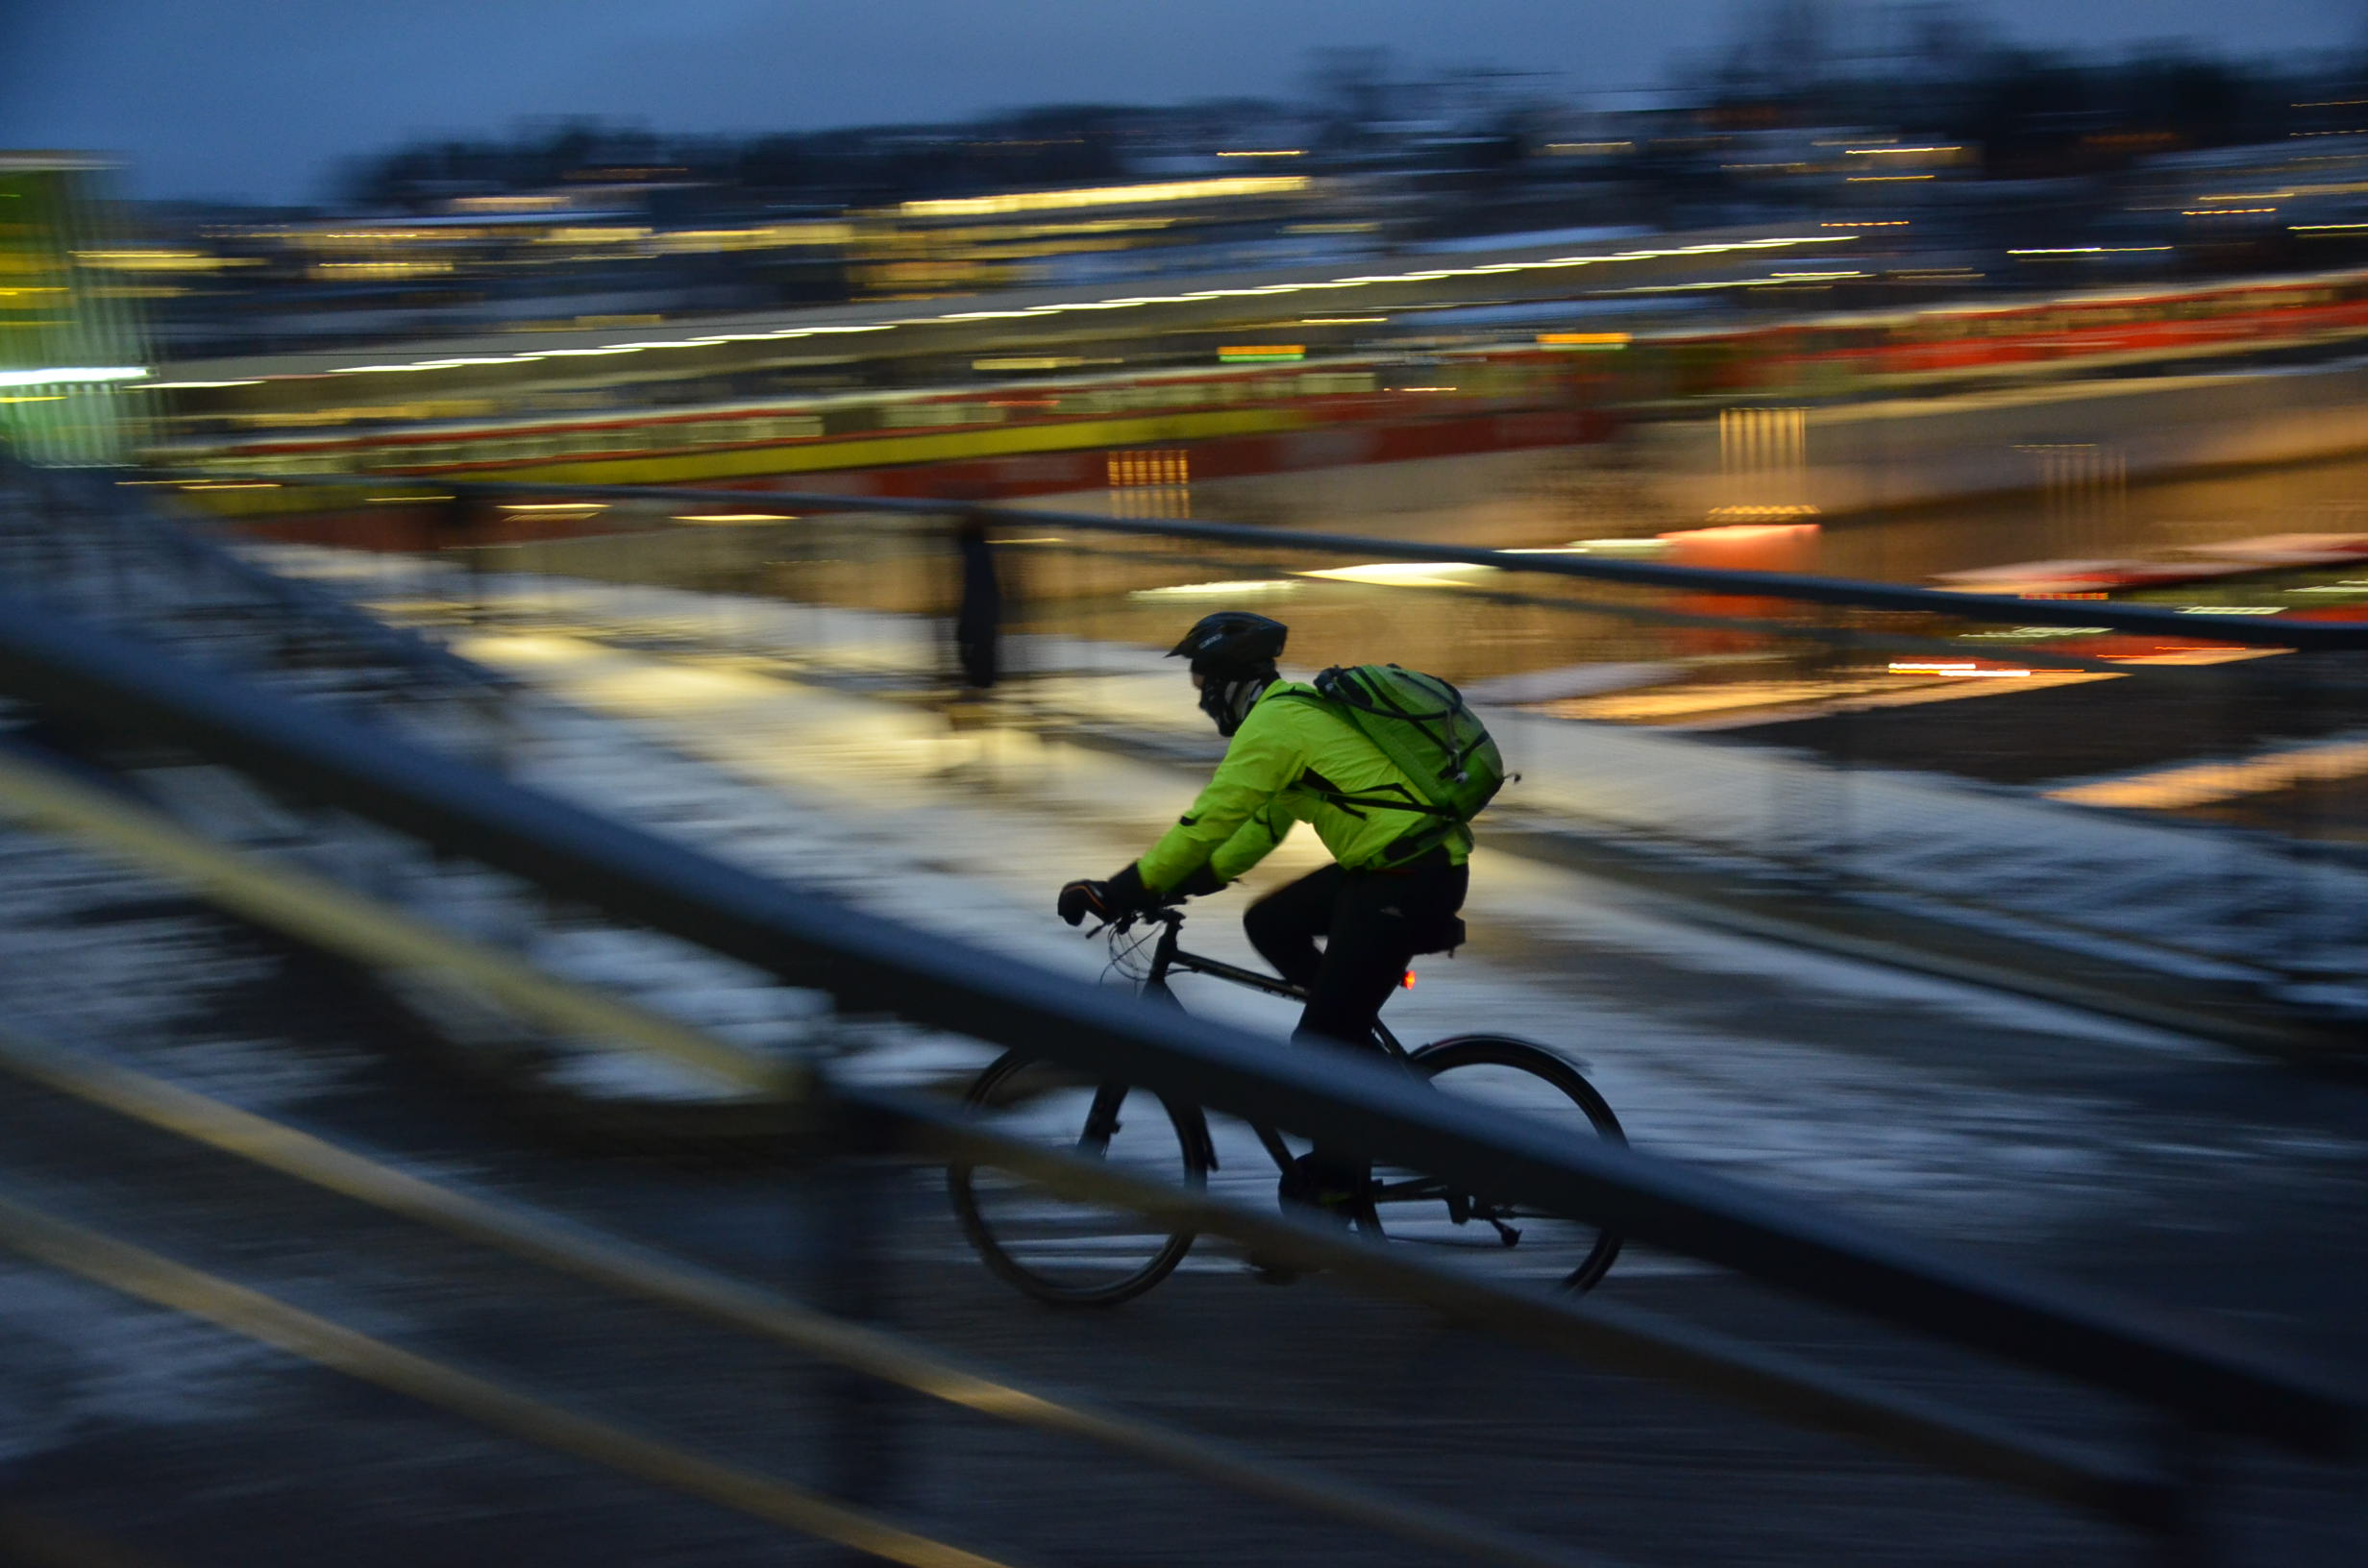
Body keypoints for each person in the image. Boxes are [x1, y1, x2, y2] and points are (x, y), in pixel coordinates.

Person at [1057, 610, 1471, 1221]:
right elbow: (1259, 825)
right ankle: (1353, 1045)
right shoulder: (1288, 716)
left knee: (1317, 1044)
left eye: (1203, 688)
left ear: (1230, 683)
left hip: (1409, 877)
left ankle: (1334, 1181)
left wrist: (1120, 891)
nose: (1202, 704)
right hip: (1397, 867)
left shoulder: (1276, 723)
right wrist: (1188, 882)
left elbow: (1210, 819)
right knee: (1270, 923)